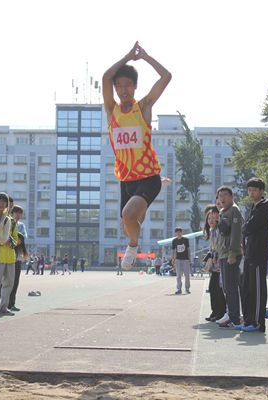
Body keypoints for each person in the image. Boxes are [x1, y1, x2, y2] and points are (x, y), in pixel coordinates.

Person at [102, 41, 172, 271]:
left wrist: (145, 57)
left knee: (128, 215)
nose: (123, 90)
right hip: (126, 178)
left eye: (128, 85)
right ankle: (132, 236)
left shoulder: (143, 107)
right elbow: (105, 77)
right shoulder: (111, 110)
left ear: (135, 87)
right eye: (119, 86)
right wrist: (126, 56)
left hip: (148, 176)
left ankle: (133, 247)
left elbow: (166, 77)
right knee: (130, 223)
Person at [241, 178, 268, 332]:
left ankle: (258, 322)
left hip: (258, 254)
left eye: (254, 190)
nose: (251, 193)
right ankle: (248, 320)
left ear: (261, 191)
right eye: (249, 190)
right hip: (249, 253)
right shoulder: (253, 207)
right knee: (248, 288)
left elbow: (248, 227)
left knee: (257, 289)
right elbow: (245, 228)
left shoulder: (263, 208)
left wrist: (245, 227)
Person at [214, 187, 244, 328]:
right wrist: (217, 253)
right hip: (223, 254)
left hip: (231, 254)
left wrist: (232, 253)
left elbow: (236, 234)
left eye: (225, 195)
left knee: (231, 287)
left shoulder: (234, 211)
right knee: (226, 287)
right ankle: (230, 313)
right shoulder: (222, 212)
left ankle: (234, 317)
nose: (222, 198)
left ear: (232, 196)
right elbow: (221, 235)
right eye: (220, 196)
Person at [0, 192, 17, 317]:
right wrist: (3, 240)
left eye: (5, 202)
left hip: (10, 257)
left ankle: (4, 307)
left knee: (9, 283)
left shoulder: (10, 221)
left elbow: (15, 238)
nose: (2, 204)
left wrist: (12, 242)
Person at [204, 206, 226, 322]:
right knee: (213, 288)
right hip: (215, 266)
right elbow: (212, 248)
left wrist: (215, 256)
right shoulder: (212, 231)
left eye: (213, 218)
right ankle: (215, 312)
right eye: (209, 218)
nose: (211, 220)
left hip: (220, 264)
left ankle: (220, 313)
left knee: (219, 289)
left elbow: (220, 245)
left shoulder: (219, 230)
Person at [9, 205, 26, 311]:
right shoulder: (7, 222)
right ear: (12, 213)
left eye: (20, 213)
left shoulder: (21, 225)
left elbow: (22, 238)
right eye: (16, 212)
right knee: (6, 282)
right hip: (7, 256)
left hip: (17, 256)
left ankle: (11, 303)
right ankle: (0, 304)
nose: (18, 215)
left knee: (15, 281)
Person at [9, 232, 28, 311]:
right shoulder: (12, 246)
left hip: (17, 265)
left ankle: (12, 304)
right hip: (11, 264)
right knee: (9, 284)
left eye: (21, 240)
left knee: (15, 284)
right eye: (18, 239)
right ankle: (7, 304)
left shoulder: (21, 248)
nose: (19, 241)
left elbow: (25, 258)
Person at [171, 227, 191, 294]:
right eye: (177, 232)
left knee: (187, 275)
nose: (178, 234)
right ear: (175, 233)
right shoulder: (174, 241)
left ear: (181, 233)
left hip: (185, 259)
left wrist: (190, 258)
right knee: (178, 275)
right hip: (178, 260)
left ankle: (187, 288)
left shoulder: (186, 240)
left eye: (179, 232)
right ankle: (179, 289)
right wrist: (172, 259)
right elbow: (173, 250)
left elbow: (188, 249)